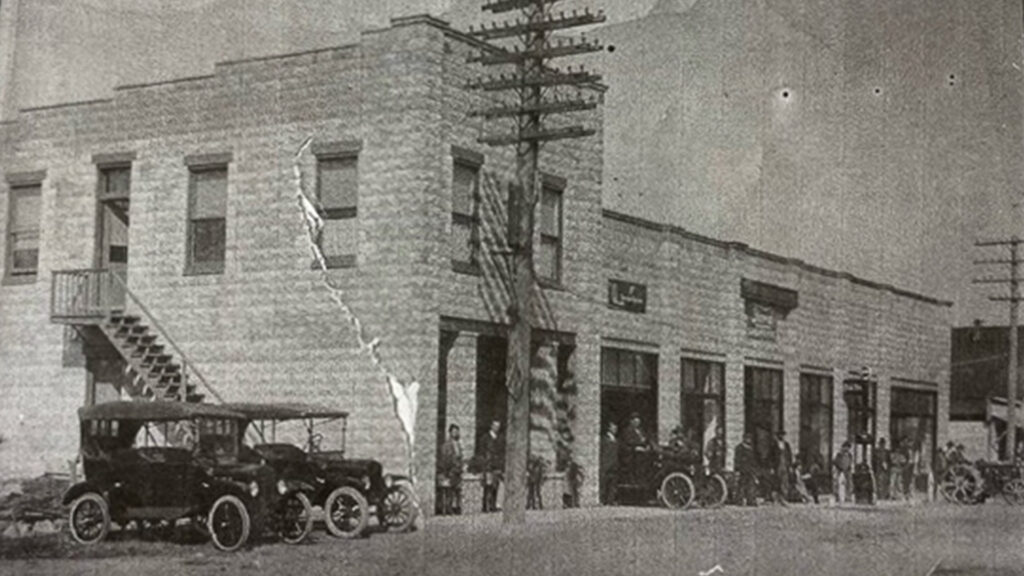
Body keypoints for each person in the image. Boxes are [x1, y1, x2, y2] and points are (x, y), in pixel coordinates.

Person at [438, 423, 464, 515]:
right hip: (450, 471)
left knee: (457, 491)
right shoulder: (446, 445)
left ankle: (456, 508)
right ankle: (448, 509)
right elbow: (445, 459)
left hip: (457, 471)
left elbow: (460, 457)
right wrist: (448, 471)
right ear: (450, 432)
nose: (455, 433)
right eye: (453, 431)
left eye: (457, 431)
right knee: (449, 491)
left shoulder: (458, 444)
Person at [478, 419, 504, 513]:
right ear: (491, 426)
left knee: (495, 486)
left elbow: (501, 452)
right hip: (488, 466)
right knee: (487, 486)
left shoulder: (500, 438)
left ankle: (493, 505)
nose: (497, 428)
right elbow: (482, 452)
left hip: (497, 466)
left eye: (498, 426)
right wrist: (483, 464)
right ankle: (485, 506)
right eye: (495, 426)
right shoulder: (485, 438)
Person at [769, 430, 793, 504]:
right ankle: (775, 498)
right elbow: (771, 457)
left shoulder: (786, 445)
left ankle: (784, 498)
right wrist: (771, 467)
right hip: (777, 466)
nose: (782, 437)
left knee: (785, 482)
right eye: (780, 435)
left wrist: (790, 466)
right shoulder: (774, 446)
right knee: (776, 482)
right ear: (777, 436)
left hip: (785, 465)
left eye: (783, 435)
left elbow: (790, 456)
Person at [734, 433, 759, 506]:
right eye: (747, 438)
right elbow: (737, 459)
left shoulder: (751, 448)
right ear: (744, 439)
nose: (749, 440)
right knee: (742, 485)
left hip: (750, 470)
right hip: (743, 469)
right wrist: (737, 469)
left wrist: (755, 469)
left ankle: (751, 500)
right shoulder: (739, 448)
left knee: (751, 485)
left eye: (750, 439)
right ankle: (739, 500)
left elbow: (753, 460)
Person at [600, 422, 619, 505]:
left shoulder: (616, 439)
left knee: (613, 483)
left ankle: (610, 500)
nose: (615, 429)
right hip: (606, 463)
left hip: (614, 463)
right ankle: (603, 500)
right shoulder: (604, 439)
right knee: (604, 483)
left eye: (616, 428)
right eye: (613, 428)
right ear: (609, 429)